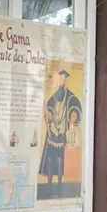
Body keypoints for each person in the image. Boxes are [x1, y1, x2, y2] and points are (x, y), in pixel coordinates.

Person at [38, 69, 82, 198]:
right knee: (51, 160)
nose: (61, 84)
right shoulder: (52, 99)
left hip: (62, 136)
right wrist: (49, 114)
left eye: (63, 81)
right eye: (60, 81)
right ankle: (50, 186)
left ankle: (59, 187)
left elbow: (76, 109)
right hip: (52, 135)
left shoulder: (70, 98)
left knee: (59, 161)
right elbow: (48, 113)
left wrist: (73, 117)